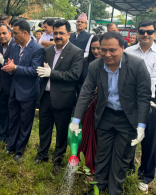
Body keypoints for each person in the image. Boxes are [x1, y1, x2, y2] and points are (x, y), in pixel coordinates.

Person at [70, 31, 151, 195]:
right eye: (103, 49)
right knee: (102, 154)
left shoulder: (137, 65)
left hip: (127, 118)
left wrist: (141, 126)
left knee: (121, 158)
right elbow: (85, 92)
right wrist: (76, 120)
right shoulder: (95, 66)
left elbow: (144, 97)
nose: (107, 54)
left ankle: (115, 190)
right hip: (105, 115)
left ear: (122, 48)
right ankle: (98, 187)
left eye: (112, 50)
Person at [35, 20, 84, 174]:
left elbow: (74, 75)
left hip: (63, 99)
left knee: (61, 131)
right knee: (44, 128)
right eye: (55, 33)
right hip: (46, 97)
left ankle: (58, 160)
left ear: (68, 34)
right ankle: (42, 154)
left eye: (61, 33)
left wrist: (52, 73)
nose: (58, 36)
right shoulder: (48, 51)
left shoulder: (76, 52)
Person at [0, 20, 43, 162]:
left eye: (15, 33)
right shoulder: (14, 47)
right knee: (13, 119)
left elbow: (34, 71)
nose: (13, 36)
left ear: (25, 33)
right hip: (14, 90)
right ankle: (11, 145)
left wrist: (14, 68)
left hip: (28, 92)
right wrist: (8, 67)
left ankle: (20, 149)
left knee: (25, 122)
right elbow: (12, 64)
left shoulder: (38, 49)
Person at [125, 20, 156, 193]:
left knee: (150, 141)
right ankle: (127, 168)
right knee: (128, 137)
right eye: (142, 31)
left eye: (149, 32)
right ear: (137, 32)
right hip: (130, 102)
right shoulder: (128, 52)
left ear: (155, 33)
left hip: (152, 103)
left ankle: (145, 176)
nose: (145, 34)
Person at [76, 35, 101, 173]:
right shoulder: (85, 62)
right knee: (85, 134)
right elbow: (78, 81)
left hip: (102, 106)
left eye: (99, 48)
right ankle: (83, 162)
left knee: (98, 137)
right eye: (93, 48)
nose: (96, 51)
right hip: (86, 104)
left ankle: (96, 165)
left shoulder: (108, 62)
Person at [0, 24, 15, 143]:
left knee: (12, 112)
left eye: (4, 33)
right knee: (2, 112)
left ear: (10, 33)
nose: (2, 36)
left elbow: (16, 64)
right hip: (0, 85)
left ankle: (11, 136)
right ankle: (3, 135)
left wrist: (3, 61)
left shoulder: (16, 46)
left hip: (12, 85)